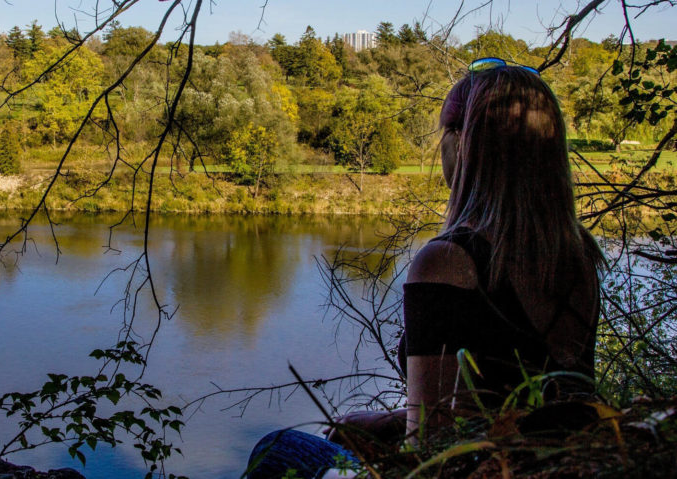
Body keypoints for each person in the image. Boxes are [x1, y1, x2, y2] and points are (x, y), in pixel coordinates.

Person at [246, 58, 604, 478]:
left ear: (466, 145)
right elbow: (521, 404)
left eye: (447, 132)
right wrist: (388, 421)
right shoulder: (579, 252)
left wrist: (384, 427)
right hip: (555, 462)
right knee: (349, 429)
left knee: (279, 448)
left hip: (480, 469)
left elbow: (432, 449)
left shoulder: (450, 262)